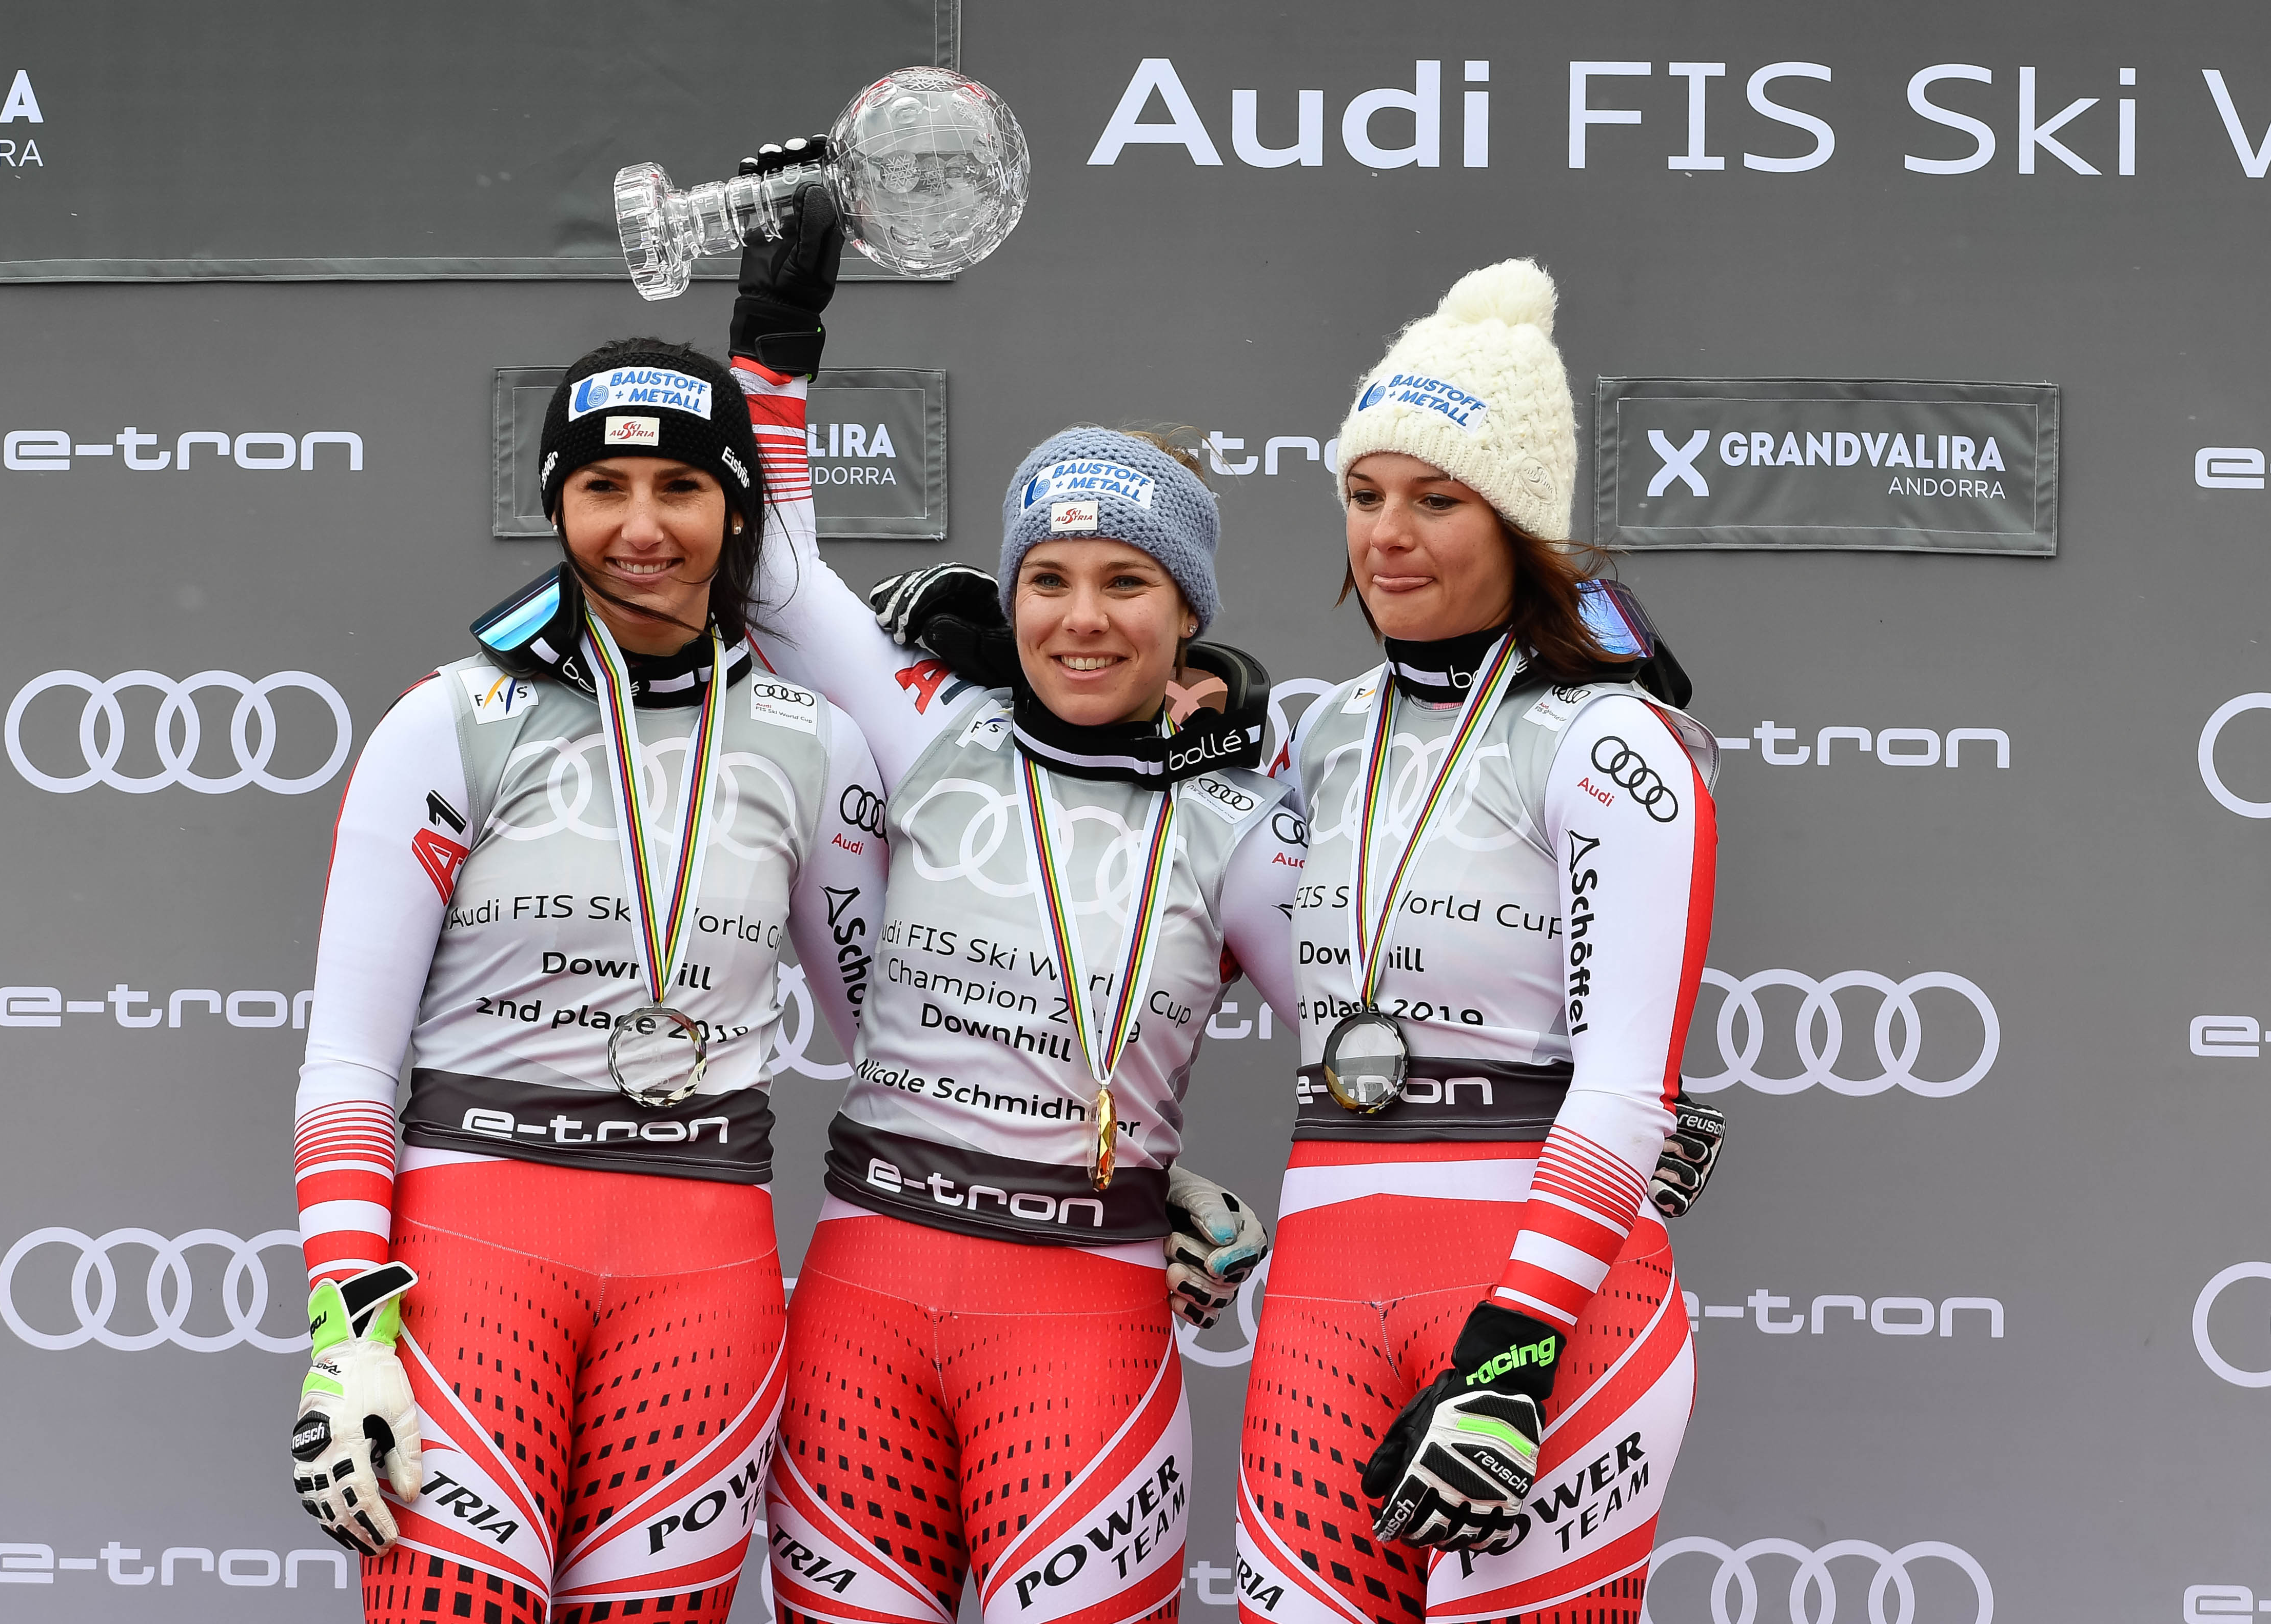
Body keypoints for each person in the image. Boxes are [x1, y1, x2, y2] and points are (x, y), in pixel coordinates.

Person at [720, 184, 1301, 1624]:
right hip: (865, 1296)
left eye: (1126, 583)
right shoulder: (931, 720)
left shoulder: (1242, 809)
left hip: (1085, 1323)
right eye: (1048, 579)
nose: (1081, 618)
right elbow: (774, 577)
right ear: (1010, 591)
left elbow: (1384, 1033)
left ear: (1190, 615)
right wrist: (772, 349)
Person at [284, 261, 890, 1622]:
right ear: (556, 502)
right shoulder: (449, 719)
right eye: (604, 487)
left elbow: (902, 1041)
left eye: (682, 487)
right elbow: (350, 1064)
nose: (642, 527)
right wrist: (347, 1331)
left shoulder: (815, 744)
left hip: (704, 1276)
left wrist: (1132, 1167)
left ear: (736, 508)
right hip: (470, 1264)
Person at [1228, 260, 1722, 1622]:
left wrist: (1509, 1363)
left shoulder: (1611, 740)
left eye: (1437, 500)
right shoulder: (1322, 731)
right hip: (1323, 1304)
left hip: (1540, 1322)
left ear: (1519, 521)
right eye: (1365, 493)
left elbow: (1628, 1086)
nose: (1388, 535)